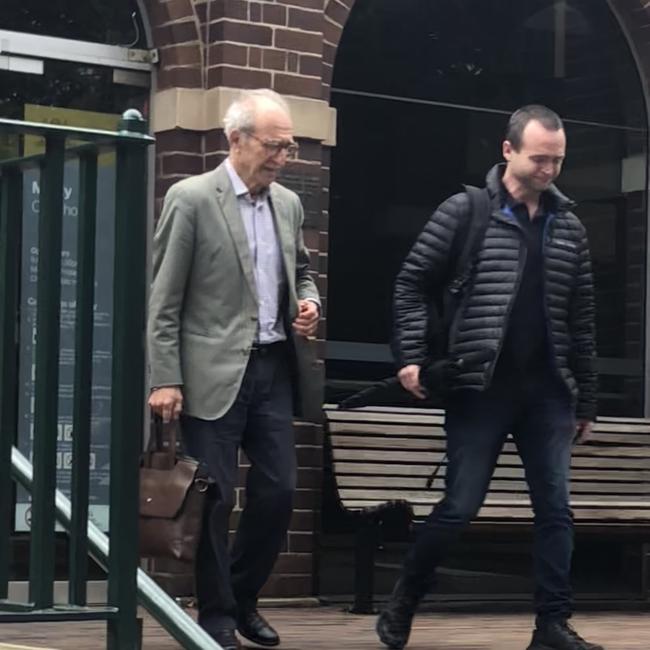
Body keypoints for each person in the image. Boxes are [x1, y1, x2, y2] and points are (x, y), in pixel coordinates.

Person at [378, 105, 601, 650]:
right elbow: (411, 282)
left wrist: (586, 401)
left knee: (555, 510)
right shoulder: (466, 211)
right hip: (480, 387)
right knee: (459, 507)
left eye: (558, 160)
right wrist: (410, 356)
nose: (549, 170)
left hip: (548, 391)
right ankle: (407, 593)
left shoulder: (569, 227)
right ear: (508, 149)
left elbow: (582, 320)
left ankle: (552, 624)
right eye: (539, 158)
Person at [147, 89, 320, 650]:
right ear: (235, 139)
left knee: (279, 492)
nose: (281, 157)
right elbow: (164, 298)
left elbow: (301, 269)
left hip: (272, 368)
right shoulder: (191, 198)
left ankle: (243, 597)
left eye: (289, 148)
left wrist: (309, 302)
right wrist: (164, 377)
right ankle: (217, 614)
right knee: (214, 497)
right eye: (273, 146)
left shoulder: (288, 204)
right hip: (209, 372)